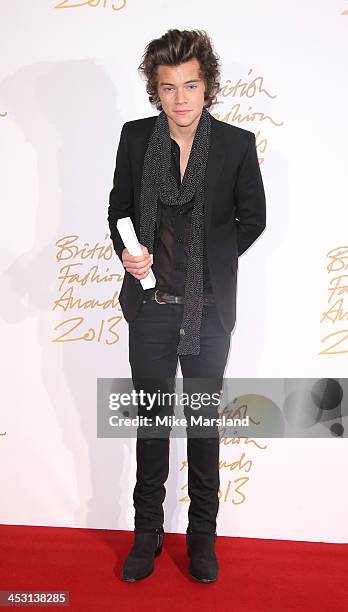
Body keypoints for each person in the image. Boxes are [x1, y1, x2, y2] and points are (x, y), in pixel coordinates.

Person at [108, 28, 266, 583]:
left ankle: (203, 539)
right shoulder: (133, 140)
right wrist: (128, 253)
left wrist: (211, 258)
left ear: (207, 87)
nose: (181, 98)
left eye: (191, 85)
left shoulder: (236, 145)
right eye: (169, 86)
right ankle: (145, 533)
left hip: (208, 312)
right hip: (151, 307)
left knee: (201, 426)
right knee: (151, 426)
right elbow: (118, 210)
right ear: (156, 90)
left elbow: (254, 219)